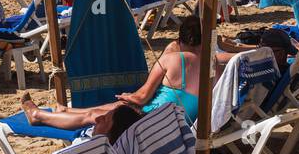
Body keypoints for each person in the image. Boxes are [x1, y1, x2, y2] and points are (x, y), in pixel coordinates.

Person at [21, 15, 206, 129]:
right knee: (116, 107)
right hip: (178, 123)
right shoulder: (211, 65)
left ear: (180, 38)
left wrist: (128, 95)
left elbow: (141, 97)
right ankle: (66, 110)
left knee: (97, 116)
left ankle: (38, 116)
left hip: (153, 123)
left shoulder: (172, 59)